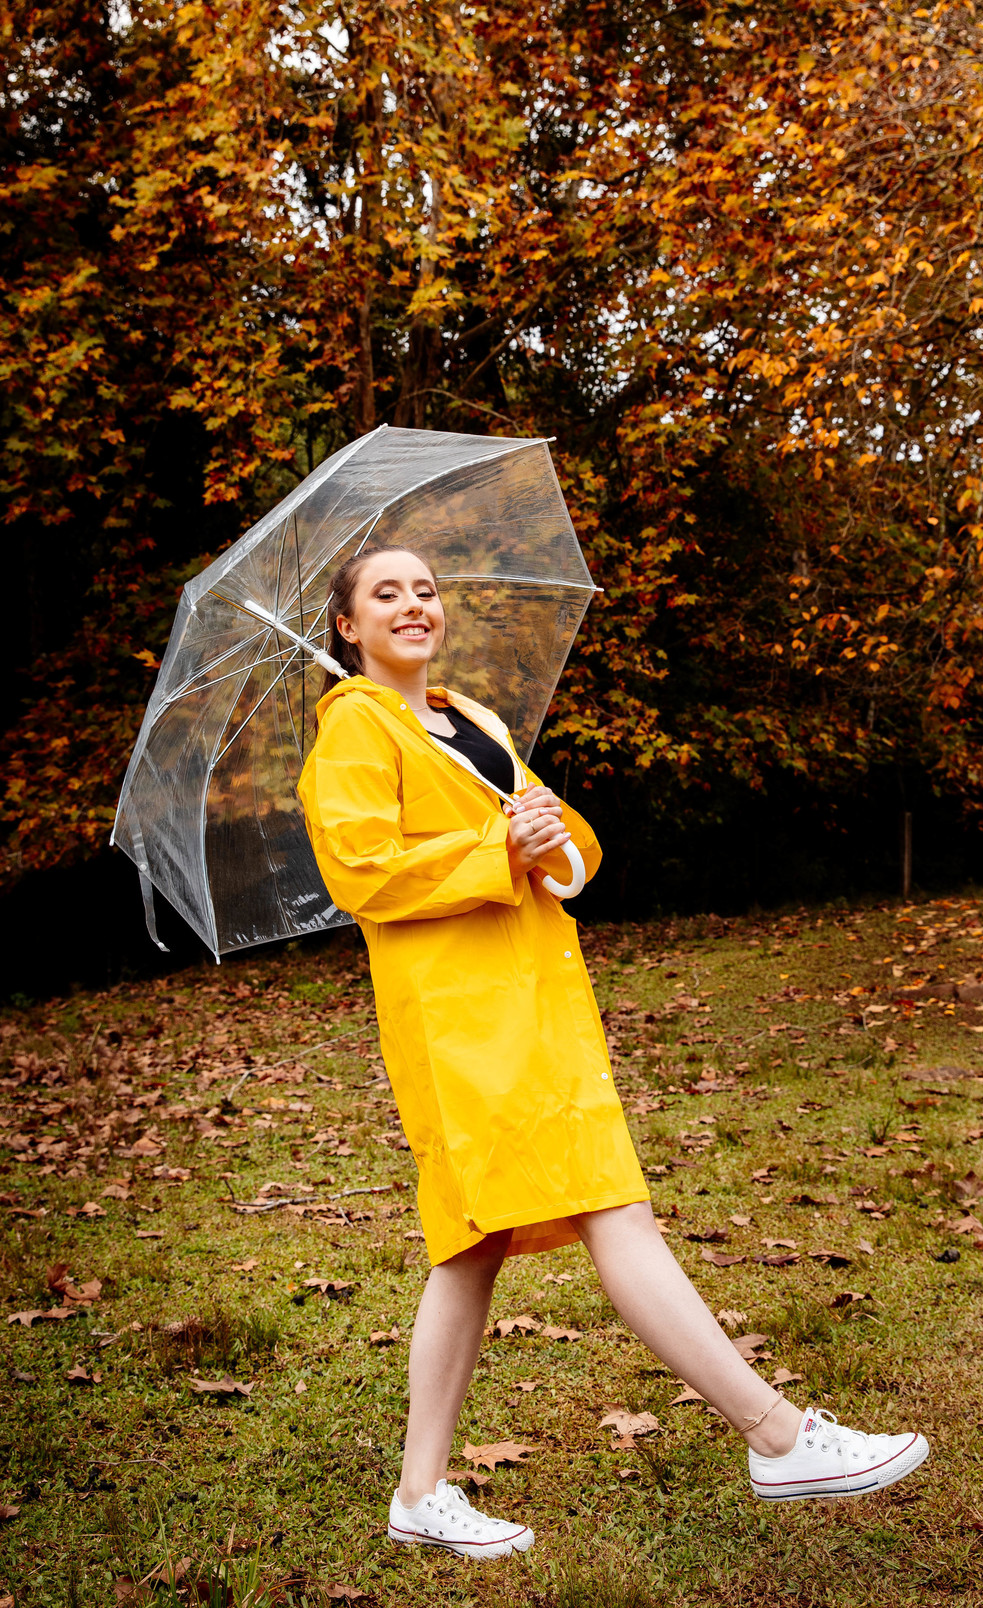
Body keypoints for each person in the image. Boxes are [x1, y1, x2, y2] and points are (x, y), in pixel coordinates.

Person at [297, 546, 929, 1560]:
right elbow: (364, 873)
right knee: (611, 1206)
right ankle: (776, 1435)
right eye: (386, 594)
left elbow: (561, 842)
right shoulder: (354, 735)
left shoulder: (470, 722)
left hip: (531, 1007)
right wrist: (496, 849)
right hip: (464, 1030)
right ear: (347, 626)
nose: (413, 606)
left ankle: (418, 1495)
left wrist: (545, 838)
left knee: (472, 1246)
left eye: (425, 590)